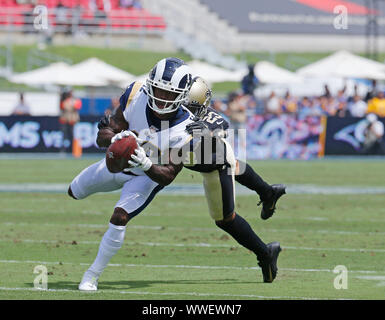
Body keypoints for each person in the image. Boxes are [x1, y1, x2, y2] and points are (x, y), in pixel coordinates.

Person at [68, 57, 195, 291]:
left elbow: (168, 175)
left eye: (170, 93)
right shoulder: (136, 93)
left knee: (119, 218)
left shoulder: (187, 128)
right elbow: (102, 136)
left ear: (182, 95)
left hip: (145, 178)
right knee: (73, 191)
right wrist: (113, 138)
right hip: (116, 165)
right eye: (159, 90)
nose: (162, 97)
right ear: (150, 85)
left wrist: (147, 165)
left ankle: (91, 275)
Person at [184, 76, 284, 283]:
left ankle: (265, 254)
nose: (183, 108)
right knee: (235, 166)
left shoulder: (205, 117)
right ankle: (268, 192)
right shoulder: (167, 113)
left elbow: (221, 123)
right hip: (214, 159)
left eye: (189, 105)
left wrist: (205, 132)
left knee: (225, 220)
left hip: (216, 165)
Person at [59, 89, 82, 153]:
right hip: (65, 119)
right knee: (64, 135)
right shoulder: (64, 100)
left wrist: (71, 104)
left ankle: (72, 150)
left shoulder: (75, 100)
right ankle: (63, 150)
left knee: (72, 135)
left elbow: (77, 106)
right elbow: (63, 106)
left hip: (72, 120)